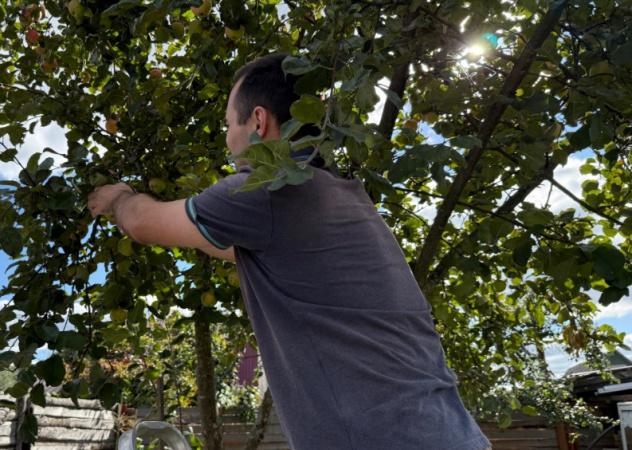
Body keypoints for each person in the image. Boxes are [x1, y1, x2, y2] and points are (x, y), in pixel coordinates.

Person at [87, 53, 491, 450]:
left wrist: (119, 198)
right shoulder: (342, 198)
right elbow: (232, 246)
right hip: (451, 433)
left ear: (259, 122)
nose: (227, 138)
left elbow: (143, 223)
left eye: (229, 124)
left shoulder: (265, 189)